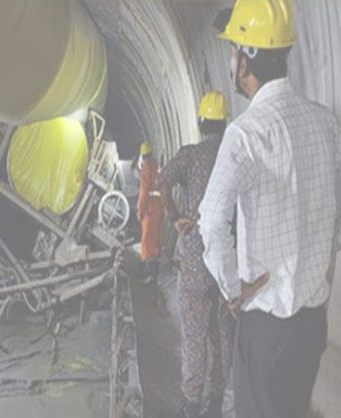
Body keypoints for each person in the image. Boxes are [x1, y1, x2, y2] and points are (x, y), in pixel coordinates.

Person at [199, 1, 341, 417]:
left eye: (233, 52)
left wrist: (232, 290)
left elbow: (211, 222)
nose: (230, 62)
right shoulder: (320, 122)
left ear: (245, 62)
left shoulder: (245, 135)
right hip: (310, 327)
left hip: (267, 328)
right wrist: (333, 234)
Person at [158, 91, 244, 418]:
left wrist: (175, 216)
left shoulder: (190, 156)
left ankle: (191, 405)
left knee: (194, 338)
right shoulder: (234, 157)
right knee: (222, 339)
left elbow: (162, 178)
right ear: (225, 124)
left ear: (199, 122)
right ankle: (215, 406)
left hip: (194, 264)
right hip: (224, 269)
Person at [137, 142, 164, 283]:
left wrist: (140, 210)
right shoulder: (156, 165)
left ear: (143, 155)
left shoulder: (147, 167)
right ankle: (155, 273)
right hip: (159, 205)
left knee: (147, 241)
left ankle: (150, 274)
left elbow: (144, 190)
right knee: (156, 239)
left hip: (150, 207)